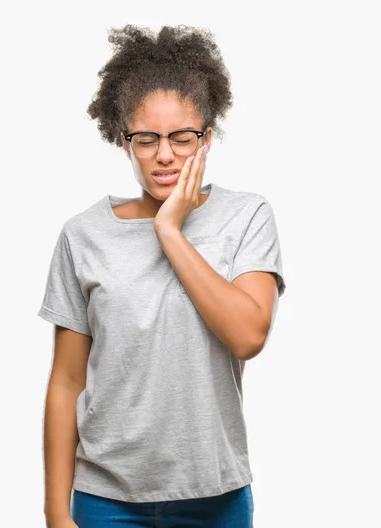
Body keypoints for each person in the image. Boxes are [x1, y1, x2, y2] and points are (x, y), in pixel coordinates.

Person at [38, 24, 286, 528]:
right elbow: (66, 382)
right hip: (105, 500)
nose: (166, 154)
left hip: (214, 495)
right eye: (146, 138)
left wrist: (170, 229)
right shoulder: (83, 235)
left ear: (207, 137)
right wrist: (55, 513)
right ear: (122, 138)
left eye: (182, 137)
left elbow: (247, 335)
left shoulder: (247, 217)